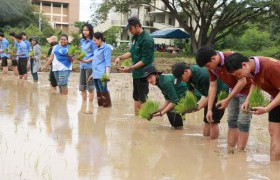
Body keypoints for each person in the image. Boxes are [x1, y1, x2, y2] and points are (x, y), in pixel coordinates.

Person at [225, 53, 280, 161]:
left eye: (239, 74)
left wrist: (266, 108)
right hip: (276, 98)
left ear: (244, 65)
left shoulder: (270, 67)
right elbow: (255, 83)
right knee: (274, 135)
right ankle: (274, 171)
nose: (239, 77)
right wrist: (247, 100)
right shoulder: (252, 67)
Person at [196, 46, 252, 152]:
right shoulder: (212, 68)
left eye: (208, 65)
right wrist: (209, 110)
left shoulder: (230, 59)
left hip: (248, 91)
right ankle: (230, 150)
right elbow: (212, 86)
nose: (208, 68)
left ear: (213, 59)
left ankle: (240, 153)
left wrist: (227, 100)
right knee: (231, 121)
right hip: (233, 91)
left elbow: (243, 81)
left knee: (243, 122)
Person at [172, 62, 228, 138]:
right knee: (207, 121)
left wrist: (198, 106)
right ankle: (206, 143)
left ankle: (213, 145)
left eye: (181, 78)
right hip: (209, 95)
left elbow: (212, 94)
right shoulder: (188, 77)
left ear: (186, 72)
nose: (181, 81)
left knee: (213, 121)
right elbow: (191, 92)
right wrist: (187, 105)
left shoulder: (203, 75)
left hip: (219, 94)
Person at [115, 17, 154, 115]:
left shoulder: (147, 39)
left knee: (143, 98)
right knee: (136, 96)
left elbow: (145, 60)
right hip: (136, 74)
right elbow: (131, 52)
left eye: (131, 29)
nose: (130, 31)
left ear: (137, 26)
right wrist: (120, 57)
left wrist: (130, 68)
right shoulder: (135, 37)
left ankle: (145, 121)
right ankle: (137, 120)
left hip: (144, 74)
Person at [142, 66, 199, 130]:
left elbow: (174, 101)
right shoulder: (159, 82)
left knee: (171, 110)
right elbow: (168, 100)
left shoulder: (166, 82)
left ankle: (179, 130)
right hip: (181, 96)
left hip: (191, 94)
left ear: (156, 75)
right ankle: (176, 129)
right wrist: (157, 111)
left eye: (150, 77)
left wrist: (162, 113)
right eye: (147, 79)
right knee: (169, 109)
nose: (149, 80)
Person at [88, 32, 112, 107]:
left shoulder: (106, 48)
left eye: (95, 40)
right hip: (96, 74)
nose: (94, 42)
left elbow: (107, 63)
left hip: (102, 74)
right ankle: (101, 108)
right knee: (98, 91)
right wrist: (92, 74)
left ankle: (107, 107)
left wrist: (107, 75)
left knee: (103, 90)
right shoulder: (96, 49)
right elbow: (96, 62)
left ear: (100, 39)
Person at [78, 24, 96, 101]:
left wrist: (87, 60)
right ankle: (84, 104)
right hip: (82, 66)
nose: (84, 32)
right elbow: (83, 53)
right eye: (84, 30)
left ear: (90, 31)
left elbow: (96, 55)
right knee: (82, 86)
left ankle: (91, 105)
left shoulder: (93, 42)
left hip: (90, 66)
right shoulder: (82, 41)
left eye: (86, 30)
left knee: (90, 87)